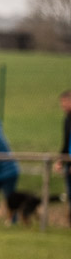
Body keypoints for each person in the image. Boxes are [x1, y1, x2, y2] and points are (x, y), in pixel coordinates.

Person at [59, 90, 71, 222]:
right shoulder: (67, 119)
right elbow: (66, 142)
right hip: (68, 162)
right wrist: (61, 160)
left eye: (64, 103)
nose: (63, 106)